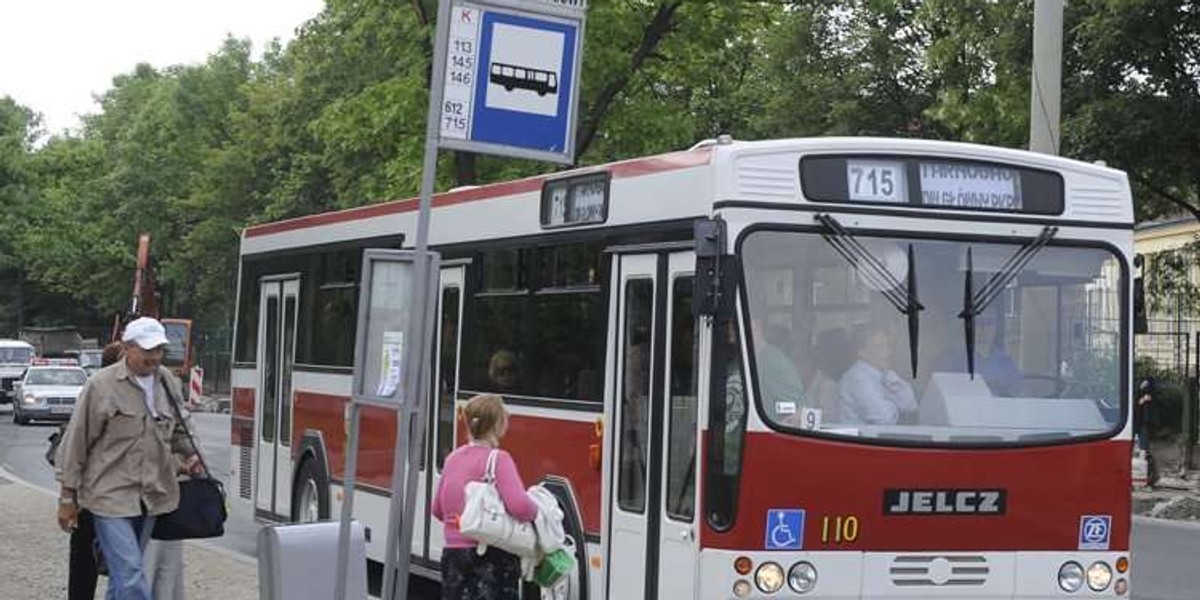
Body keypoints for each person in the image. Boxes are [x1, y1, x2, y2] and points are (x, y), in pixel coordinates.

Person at [56, 317, 202, 600]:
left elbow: (179, 431)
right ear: (126, 347)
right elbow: (75, 443)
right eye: (147, 350)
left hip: (152, 496)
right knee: (132, 575)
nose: (154, 357)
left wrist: (192, 455)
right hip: (109, 497)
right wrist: (66, 498)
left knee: (121, 580)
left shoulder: (167, 382)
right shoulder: (101, 386)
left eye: (159, 349)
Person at [432, 394, 538, 600]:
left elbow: (437, 509)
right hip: (490, 557)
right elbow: (521, 508)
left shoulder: (452, 458)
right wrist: (538, 510)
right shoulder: (498, 460)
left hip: (453, 557)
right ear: (498, 424)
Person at [54, 341, 124, 600]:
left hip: (122, 497)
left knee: (122, 566)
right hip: (91, 494)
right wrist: (67, 497)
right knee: (85, 558)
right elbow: (74, 448)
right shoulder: (97, 391)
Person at [839, 326, 917, 425]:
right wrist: (897, 407)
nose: (888, 352)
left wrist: (890, 375)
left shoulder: (885, 373)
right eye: (879, 347)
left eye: (889, 345)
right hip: (858, 439)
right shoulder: (858, 378)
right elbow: (885, 418)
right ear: (861, 352)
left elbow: (911, 406)